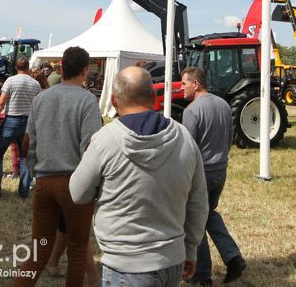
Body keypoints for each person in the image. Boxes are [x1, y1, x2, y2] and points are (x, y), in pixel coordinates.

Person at [70, 66, 209, 287]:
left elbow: (77, 193)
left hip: (125, 265)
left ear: (114, 101)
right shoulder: (184, 137)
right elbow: (199, 203)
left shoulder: (104, 140)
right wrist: (191, 249)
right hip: (172, 262)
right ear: (154, 97)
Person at [13, 47, 102, 287]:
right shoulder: (87, 100)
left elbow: (28, 140)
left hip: (43, 181)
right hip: (74, 184)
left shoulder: (42, 97)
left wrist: (33, 171)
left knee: (38, 252)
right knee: (76, 251)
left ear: (62, 67)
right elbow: (91, 147)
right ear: (85, 70)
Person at [180, 66, 247, 286]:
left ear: (195, 84)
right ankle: (233, 257)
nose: (181, 88)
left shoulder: (191, 111)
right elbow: (230, 138)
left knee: (194, 220)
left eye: (184, 83)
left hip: (201, 174)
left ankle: (201, 277)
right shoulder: (224, 105)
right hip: (221, 170)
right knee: (208, 214)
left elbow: (187, 148)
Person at [0, 57, 41, 199]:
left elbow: (1, 102)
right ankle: (23, 192)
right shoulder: (35, 84)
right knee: (25, 158)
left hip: (11, 120)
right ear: (28, 67)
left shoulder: (10, 81)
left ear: (16, 68)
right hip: (28, 122)